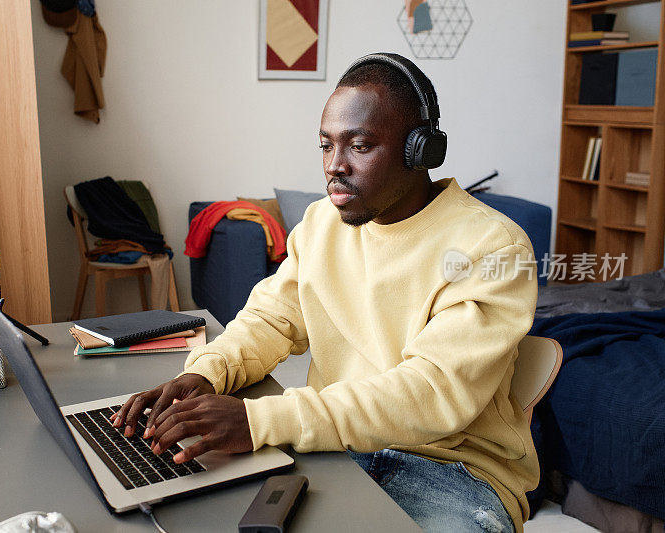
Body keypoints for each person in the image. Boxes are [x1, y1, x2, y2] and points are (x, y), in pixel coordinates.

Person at [111, 53, 538, 532]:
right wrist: (209, 375)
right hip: (340, 448)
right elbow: (271, 319)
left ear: (419, 151)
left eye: (359, 146)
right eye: (325, 146)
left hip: (451, 472)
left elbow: (430, 393)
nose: (335, 167)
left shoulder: (492, 246)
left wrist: (260, 420)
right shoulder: (321, 224)